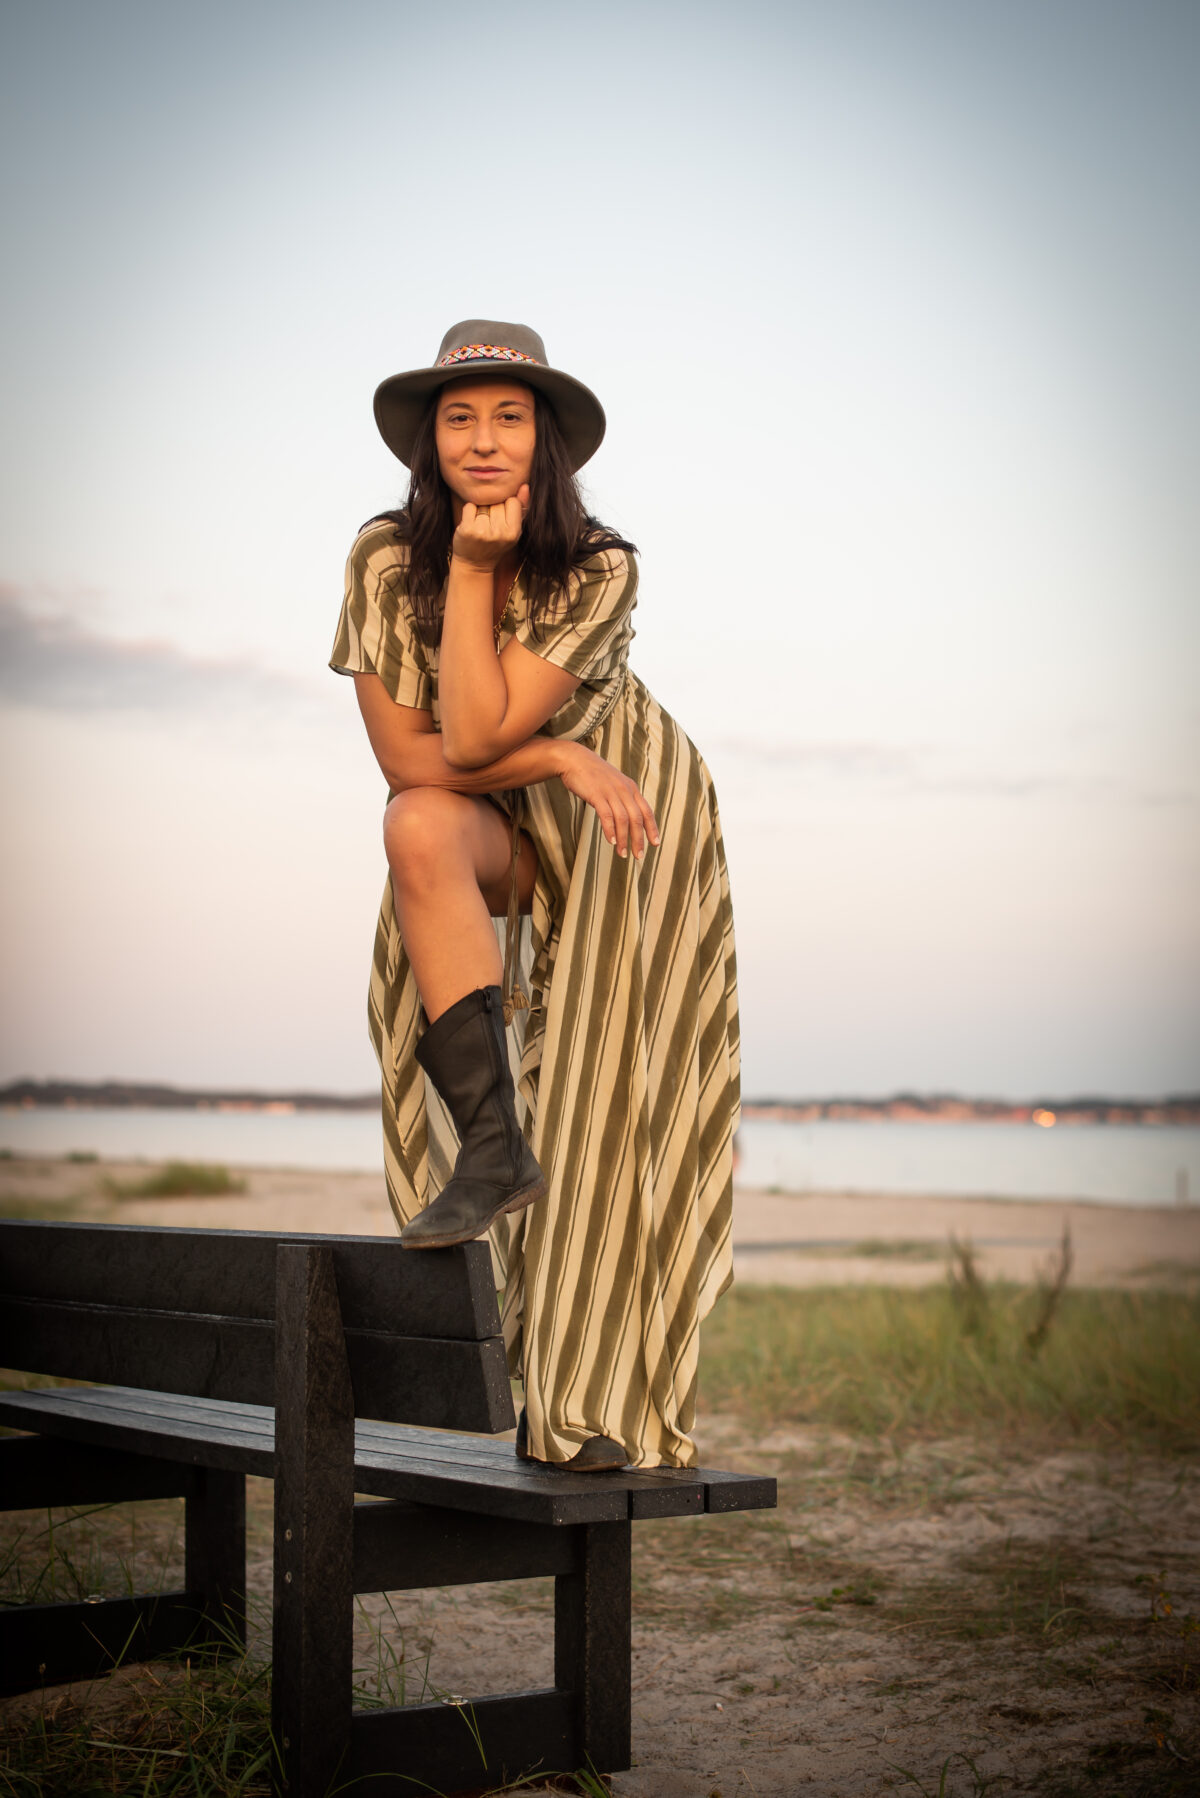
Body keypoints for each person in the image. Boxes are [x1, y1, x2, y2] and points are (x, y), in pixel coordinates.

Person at [330, 320, 739, 1471]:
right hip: (527, 793)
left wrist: (480, 582)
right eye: (459, 417)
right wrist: (557, 753)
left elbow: (467, 729)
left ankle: (586, 1412)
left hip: (628, 814)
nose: (483, 439)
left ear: (544, 438)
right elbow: (415, 761)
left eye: (509, 416)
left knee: (604, 1097)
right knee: (414, 825)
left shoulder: (600, 565)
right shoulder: (384, 557)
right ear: (428, 440)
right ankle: (491, 1144)